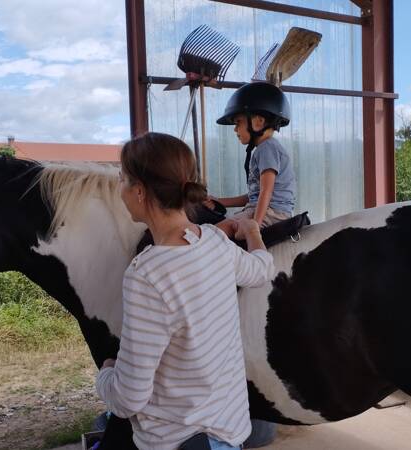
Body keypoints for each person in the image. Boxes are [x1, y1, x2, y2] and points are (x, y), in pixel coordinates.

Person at [95, 132, 275, 450]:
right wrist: (251, 231)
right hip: (229, 435)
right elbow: (261, 270)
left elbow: (128, 399)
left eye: (122, 178)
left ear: (139, 192)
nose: (119, 188)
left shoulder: (146, 275)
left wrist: (106, 375)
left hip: (177, 442)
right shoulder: (216, 242)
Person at [207, 82, 296, 235]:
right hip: (265, 208)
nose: (235, 129)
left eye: (238, 122)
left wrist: (254, 226)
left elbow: (265, 191)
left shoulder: (266, 148)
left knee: (215, 233)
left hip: (271, 212)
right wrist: (219, 201)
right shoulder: (265, 149)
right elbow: (255, 195)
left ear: (258, 122)